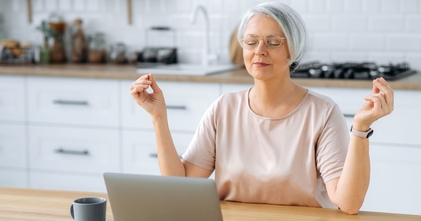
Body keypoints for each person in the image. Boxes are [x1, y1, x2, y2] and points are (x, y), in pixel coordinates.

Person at [130, 2, 394, 215]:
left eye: (273, 42)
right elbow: (182, 185)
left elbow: (348, 203)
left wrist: (360, 129)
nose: (260, 51)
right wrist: (158, 117)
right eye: (251, 41)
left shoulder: (322, 113)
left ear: (293, 49)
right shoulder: (223, 108)